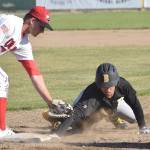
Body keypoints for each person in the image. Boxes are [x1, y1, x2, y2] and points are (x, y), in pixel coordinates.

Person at [0, 6, 55, 137]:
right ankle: (1, 130)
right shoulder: (10, 23)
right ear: (32, 21)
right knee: (2, 80)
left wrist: (51, 103)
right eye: (42, 26)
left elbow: (34, 73)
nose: (42, 31)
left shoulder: (23, 42)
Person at [54, 63, 150, 135]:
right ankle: (60, 118)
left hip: (113, 104)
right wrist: (57, 134)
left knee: (133, 118)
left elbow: (135, 104)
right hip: (93, 102)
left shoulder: (123, 85)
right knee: (80, 126)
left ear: (116, 83)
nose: (107, 90)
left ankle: (113, 116)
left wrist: (142, 126)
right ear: (98, 85)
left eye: (110, 86)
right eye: (104, 86)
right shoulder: (91, 93)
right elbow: (76, 114)